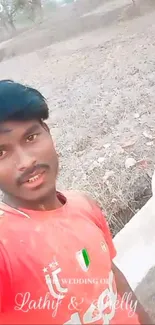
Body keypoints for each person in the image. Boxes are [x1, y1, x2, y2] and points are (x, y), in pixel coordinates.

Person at [0, 80, 151, 324]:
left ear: (48, 133)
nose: (26, 161)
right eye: (1, 153)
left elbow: (110, 275)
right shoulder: (6, 246)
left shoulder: (84, 205)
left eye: (30, 137)